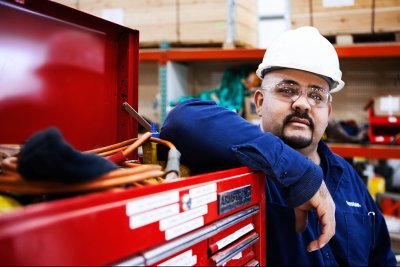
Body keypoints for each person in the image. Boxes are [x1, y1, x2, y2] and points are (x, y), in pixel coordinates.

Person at [160, 26, 396, 266]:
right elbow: (180, 121)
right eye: (287, 90)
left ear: (329, 110)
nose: (303, 104)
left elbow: (382, 260)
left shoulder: (349, 180)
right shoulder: (238, 163)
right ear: (260, 102)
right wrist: (298, 171)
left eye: (316, 96)